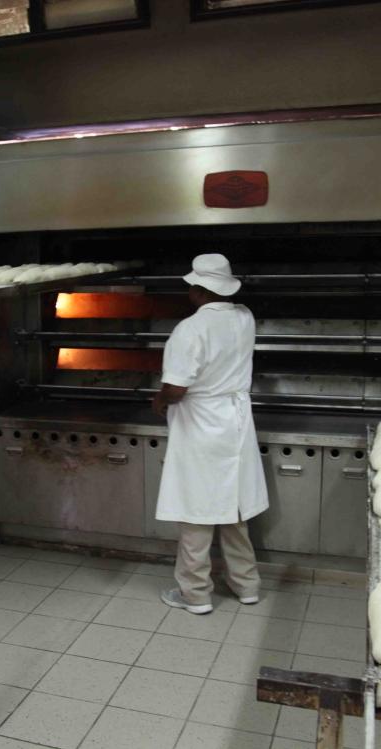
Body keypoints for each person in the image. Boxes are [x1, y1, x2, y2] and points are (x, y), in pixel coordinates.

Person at [153, 253, 269, 615]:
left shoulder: (190, 329)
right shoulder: (245, 317)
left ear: (199, 290)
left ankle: (195, 593)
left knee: (196, 509)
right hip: (235, 421)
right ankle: (246, 585)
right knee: (234, 506)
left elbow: (176, 387)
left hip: (201, 424)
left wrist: (159, 400)